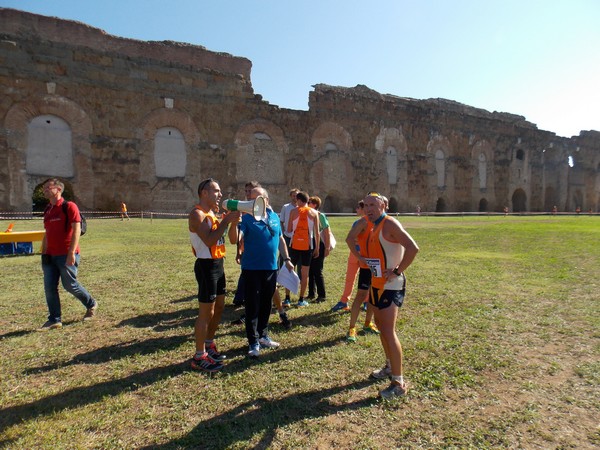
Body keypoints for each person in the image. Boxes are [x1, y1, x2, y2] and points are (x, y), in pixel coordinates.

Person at [360, 192, 419, 399]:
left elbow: (413, 248)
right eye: (366, 205)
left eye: (373, 205)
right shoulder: (373, 225)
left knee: (388, 331)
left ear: (384, 205)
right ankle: (388, 367)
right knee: (382, 330)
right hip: (377, 285)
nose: (368, 208)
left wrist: (396, 271)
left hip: (391, 286)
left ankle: (398, 383)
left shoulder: (390, 224)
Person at [188, 178, 240, 372]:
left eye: (220, 191)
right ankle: (199, 356)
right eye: (216, 191)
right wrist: (226, 220)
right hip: (206, 265)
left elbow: (227, 239)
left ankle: (209, 345)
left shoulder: (212, 214)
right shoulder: (197, 214)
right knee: (206, 312)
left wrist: (232, 222)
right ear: (204, 193)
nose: (220, 194)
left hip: (218, 264)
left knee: (219, 307)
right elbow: (209, 241)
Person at [238, 186, 295, 357]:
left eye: (258, 198)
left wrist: (287, 259)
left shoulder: (274, 217)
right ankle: (253, 342)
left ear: (266, 200)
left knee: (265, 305)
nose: (254, 202)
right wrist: (236, 229)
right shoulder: (246, 218)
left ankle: (263, 335)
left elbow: (280, 238)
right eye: (251, 199)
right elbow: (238, 236)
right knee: (252, 306)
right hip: (251, 269)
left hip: (270, 268)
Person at [39, 178, 97, 330]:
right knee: (49, 288)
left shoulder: (69, 206)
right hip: (50, 255)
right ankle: (54, 319)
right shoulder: (48, 209)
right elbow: (47, 232)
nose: (44, 189)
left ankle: (91, 304)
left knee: (70, 285)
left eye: (47, 187)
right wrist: (43, 251)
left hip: (66, 253)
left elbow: (76, 229)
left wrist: (72, 252)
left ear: (58, 189)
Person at [341, 203, 379, 342]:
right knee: (361, 294)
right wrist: (359, 256)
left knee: (373, 295)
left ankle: (368, 323)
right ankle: (352, 328)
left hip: (379, 265)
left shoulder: (386, 221)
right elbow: (349, 239)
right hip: (367, 264)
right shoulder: (364, 221)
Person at [287, 191, 320, 307]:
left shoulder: (293, 211)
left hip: (294, 245)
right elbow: (316, 232)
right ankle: (301, 299)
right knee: (305, 273)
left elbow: (289, 229)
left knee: (290, 270)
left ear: (299, 200)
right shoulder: (314, 213)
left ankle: (287, 299)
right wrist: (317, 248)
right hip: (308, 246)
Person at [232, 180, 262, 308]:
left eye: (250, 191)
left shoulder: (262, 207)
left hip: (260, 248)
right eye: (246, 191)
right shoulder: (243, 208)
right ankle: (240, 298)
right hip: (246, 248)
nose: (248, 193)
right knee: (245, 273)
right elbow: (239, 235)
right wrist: (239, 252)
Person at [307, 196, 331, 302]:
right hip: (310, 243)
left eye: (309, 202)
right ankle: (311, 293)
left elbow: (327, 232)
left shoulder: (321, 216)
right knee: (310, 270)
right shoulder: (308, 215)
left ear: (315, 204)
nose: (307, 204)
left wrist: (327, 247)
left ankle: (322, 295)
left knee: (317, 270)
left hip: (320, 244)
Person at [279, 188, 299, 307]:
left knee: (297, 263)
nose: (295, 197)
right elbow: (281, 221)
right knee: (284, 260)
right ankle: (283, 280)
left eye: (297, 195)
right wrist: (283, 233)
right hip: (287, 237)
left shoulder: (302, 208)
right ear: (290, 196)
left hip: (298, 238)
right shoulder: (286, 207)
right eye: (293, 195)